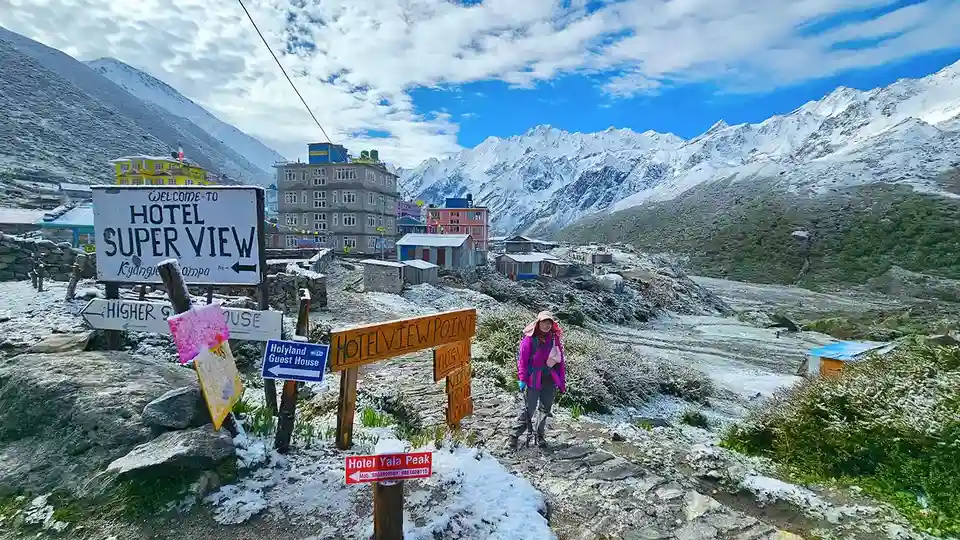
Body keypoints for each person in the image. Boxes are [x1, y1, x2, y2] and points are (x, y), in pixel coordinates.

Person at [508, 310, 567, 450]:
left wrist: (561, 380)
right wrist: (522, 379)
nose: (546, 325)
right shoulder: (529, 339)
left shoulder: (554, 339)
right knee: (529, 408)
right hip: (533, 378)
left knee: (545, 408)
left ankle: (539, 436)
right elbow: (522, 361)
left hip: (549, 379)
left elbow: (560, 361)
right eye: (544, 322)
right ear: (538, 323)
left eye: (549, 323)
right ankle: (514, 435)